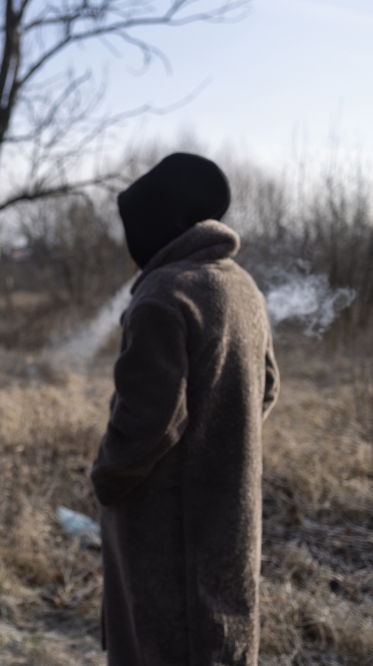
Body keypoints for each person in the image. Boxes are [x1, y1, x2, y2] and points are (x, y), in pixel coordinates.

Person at [90, 153, 279, 665]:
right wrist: (223, 446)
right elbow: (266, 387)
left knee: (166, 642)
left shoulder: (162, 294)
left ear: (154, 227)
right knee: (222, 637)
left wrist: (107, 477)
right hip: (230, 516)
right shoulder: (242, 286)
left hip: (168, 529)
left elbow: (148, 421)